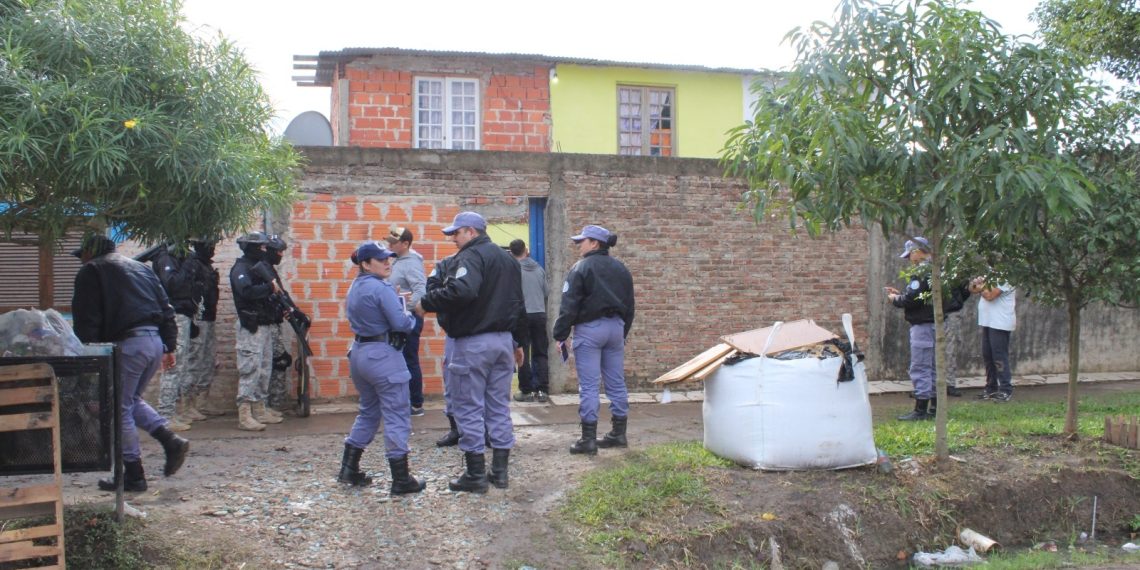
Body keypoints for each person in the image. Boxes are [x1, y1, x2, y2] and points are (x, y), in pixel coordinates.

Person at [415, 211, 525, 493]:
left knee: (469, 408)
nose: (453, 239)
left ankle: (475, 474)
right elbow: (517, 303)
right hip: (503, 342)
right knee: (499, 407)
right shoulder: (508, 259)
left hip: (473, 343)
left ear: (471, 232)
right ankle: (500, 472)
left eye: (456, 233)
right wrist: (518, 342)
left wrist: (427, 302)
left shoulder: (470, 257)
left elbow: (462, 291)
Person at [70, 235, 189, 492]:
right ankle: (170, 441)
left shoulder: (91, 271)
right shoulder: (138, 268)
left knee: (117, 407)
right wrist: (169, 346)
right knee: (130, 399)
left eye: (82, 255)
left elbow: (86, 318)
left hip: (129, 345)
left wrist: (87, 354)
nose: (81, 260)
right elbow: (166, 308)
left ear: (90, 252)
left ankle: (134, 475)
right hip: (153, 343)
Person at [338, 241, 426, 495]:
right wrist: (407, 312)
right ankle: (401, 480)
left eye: (388, 258)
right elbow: (401, 323)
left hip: (360, 353)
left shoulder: (356, 286)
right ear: (366, 264)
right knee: (397, 414)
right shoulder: (381, 288)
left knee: (368, 412)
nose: (388, 262)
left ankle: (349, 468)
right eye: (381, 259)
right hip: (384, 357)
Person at [552, 225, 635, 455]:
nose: (579, 244)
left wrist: (560, 335)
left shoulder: (580, 268)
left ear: (595, 244)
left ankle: (588, 439)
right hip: (616, 328)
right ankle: (619, 434)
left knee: (589, 385)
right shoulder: (622, 269)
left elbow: (569, 306)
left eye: (583, 240)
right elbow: (630, 306)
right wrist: (622, 332)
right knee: (616, 382)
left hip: (590, 329)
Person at [885, 237, 969, 421]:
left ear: (918, 251)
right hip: (936, 324)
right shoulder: (940, 270)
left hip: (923, 326)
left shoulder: (923, 272)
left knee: (921, 367)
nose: (910, 260)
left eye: (910, 255)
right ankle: (934, 409)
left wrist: (895, 299)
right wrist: (904, 295)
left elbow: (912, 300)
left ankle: (920, 409)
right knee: (933, 368)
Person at [230, 231, 283, 431]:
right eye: (260, 247)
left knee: (264, 368)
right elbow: (246, 291)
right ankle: (244, 414)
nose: (264, 250)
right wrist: (270, 288)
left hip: (264, 324)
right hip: (251, 326)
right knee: (250, 369)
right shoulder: (241, 268)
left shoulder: (259, 267)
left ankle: (260, 408)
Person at [152, 243, 200, 431]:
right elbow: (173, 284)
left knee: (181, 366)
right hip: (174, 315)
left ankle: (173, 412)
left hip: (184, 315)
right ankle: (165, 415)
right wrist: (187, 264)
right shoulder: (166, 258)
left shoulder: (178, 259)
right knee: (173, 367)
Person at [385, 226, 428, 417]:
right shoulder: (398, 260)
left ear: (405, 244)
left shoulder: (410, 263)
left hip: (408, 319)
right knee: (400, 360)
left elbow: (421, 290)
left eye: (394, 242)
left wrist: (404, 309)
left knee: (409, 360)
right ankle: (405, 401)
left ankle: (416, 404)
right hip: (401, 319)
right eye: (390, 241)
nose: (390, 245)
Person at [184, 238, 223, 418]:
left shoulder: (206, 266)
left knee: (207, 360)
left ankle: (201, 402)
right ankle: (187, 403)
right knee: (194, 359)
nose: (212, 249)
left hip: (209, 316)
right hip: (198, 317)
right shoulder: (192, 263)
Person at [427, 254, 461, 447]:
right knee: (451, 380)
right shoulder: (447, 264)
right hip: (455, 332)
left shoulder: (488, 262)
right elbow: (431, 288)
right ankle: (455, 428)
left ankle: (487, 431)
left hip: (481, 332)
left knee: (485, 384)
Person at [510, 239, 550, 404]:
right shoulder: (539, 269)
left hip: (523, 316)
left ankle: (526, 390)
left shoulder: (513, 270)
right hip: (540, 314)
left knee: (522, 352)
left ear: (512, 253)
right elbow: (546, 292)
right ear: (526, 251)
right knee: (541, 352)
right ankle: (542, 390)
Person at [969, 277, 1017, 401]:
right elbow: (971, 288)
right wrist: (979, 286)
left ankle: (1006, 389)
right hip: (987, 321)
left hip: (1000, 323)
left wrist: (980, 286)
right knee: (988, 356)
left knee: (999, 356)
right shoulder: (989, 274)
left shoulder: (1007, 277)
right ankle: (991, 387)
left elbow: (990, 295)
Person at [265, 235, 292, 417]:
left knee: (281, 360)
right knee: (268, 364)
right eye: (278, 251)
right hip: (264, 323)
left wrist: (292, 309)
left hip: (274, 321)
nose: (281, 254)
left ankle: (275, 404)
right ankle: (266, 405)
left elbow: (281, 293)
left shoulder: (270, 270)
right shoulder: (258, 269)